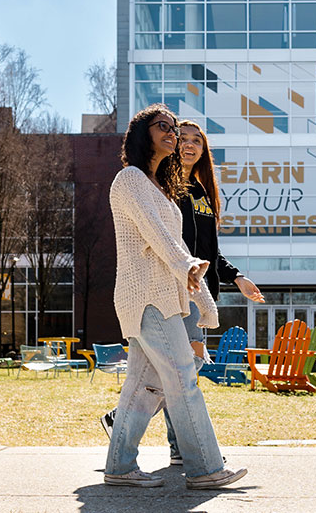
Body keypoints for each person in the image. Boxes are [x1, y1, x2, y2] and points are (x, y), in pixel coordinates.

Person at [103, 104, 247, 490]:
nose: (172, 133)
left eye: (174, 128)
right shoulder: (129, 179)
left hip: (164, 297)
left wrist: (196, 286)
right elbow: (160, 237)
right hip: (146, 298)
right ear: (141, 133)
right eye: (162, 127)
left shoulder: (159, 188)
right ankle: (205, 469)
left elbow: (175, 242)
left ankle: (119, 467)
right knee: (184, 380)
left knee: (142, 385)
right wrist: (189, 269)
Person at [162, 119, 265, 465]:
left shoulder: (202, 192)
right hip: (173, 287)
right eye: (184, 139)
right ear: (173, 144)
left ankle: (124, 418)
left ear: (204, 150)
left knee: (179, 368)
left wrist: (238, 278)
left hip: (198, 291)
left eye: (197, 141)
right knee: (184, 368)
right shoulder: (162, 184)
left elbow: (211, 252)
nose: (189, 145)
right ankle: (180, 446)